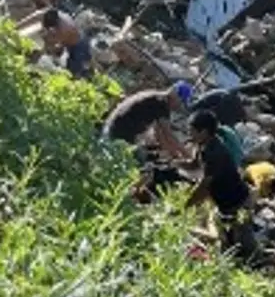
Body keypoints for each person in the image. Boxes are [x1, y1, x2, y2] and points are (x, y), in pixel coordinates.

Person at [184, 110, 257, 258]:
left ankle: (259, 266)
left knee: (246, 245)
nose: (189, 135)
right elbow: (193, 164)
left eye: (192, 131)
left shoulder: (215, 152)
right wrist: (175, 164)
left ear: (203, 131)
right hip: (225, 204)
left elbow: (205, 186)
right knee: (228, 241)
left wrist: (186, 205)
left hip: (238, 202)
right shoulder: (204, 145)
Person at [101, 82, 194, 161]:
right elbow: (168, 135)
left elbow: (160, 137)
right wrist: (188, 156)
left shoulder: (157, 98)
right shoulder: (161, 104)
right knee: (140, 160)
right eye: (181, 102)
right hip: (118, 135)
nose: (178, 106)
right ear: (175, 94)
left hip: (113, 130)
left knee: (149, 154)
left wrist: (176, 156)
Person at [41, 8, 93, 79]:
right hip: (74, 40)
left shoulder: (64, 29)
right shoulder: (57, 14)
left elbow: (52, 44)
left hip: (79, 47)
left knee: (73, 72)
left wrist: (47, 44)